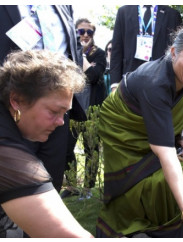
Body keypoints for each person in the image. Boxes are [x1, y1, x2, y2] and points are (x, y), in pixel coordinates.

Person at [96, 23, 183, 238]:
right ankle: (131, 221)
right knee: (148, 181)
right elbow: (164, 152)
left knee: (181, 167)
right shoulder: (153, 82)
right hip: (125, 131)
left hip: (157, 128)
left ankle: (163, 227)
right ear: (173, 52)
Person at [0, 49, 93, 238]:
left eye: (64, 113)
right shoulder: (5, 149)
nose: (61, 122)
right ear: (17, 100)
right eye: (54, 111)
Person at [0, 5, 86, 193]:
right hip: (13, 103)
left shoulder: (65, 5)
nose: (61, 122)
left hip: (57, 102)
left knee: (50, 175)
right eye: (56, 114)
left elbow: (74, 47)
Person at [63, 18, 107, 200]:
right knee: (66, 149)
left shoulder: (99, 54)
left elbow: (95, 76)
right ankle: (72, 185)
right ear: (75, 33)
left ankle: (88, 188)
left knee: (92, 150)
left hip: (92, 110)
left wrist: (79, 56)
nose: (86, 35)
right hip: (73, 110)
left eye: (90, 32)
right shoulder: (65, 52)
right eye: (81, 32)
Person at [109, 5, 182, 92]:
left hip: (162, 84)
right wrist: (115, 84)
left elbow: (178, 52)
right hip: (129, 82)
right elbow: (117, 50)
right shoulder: (124, 12)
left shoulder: (172, 15)